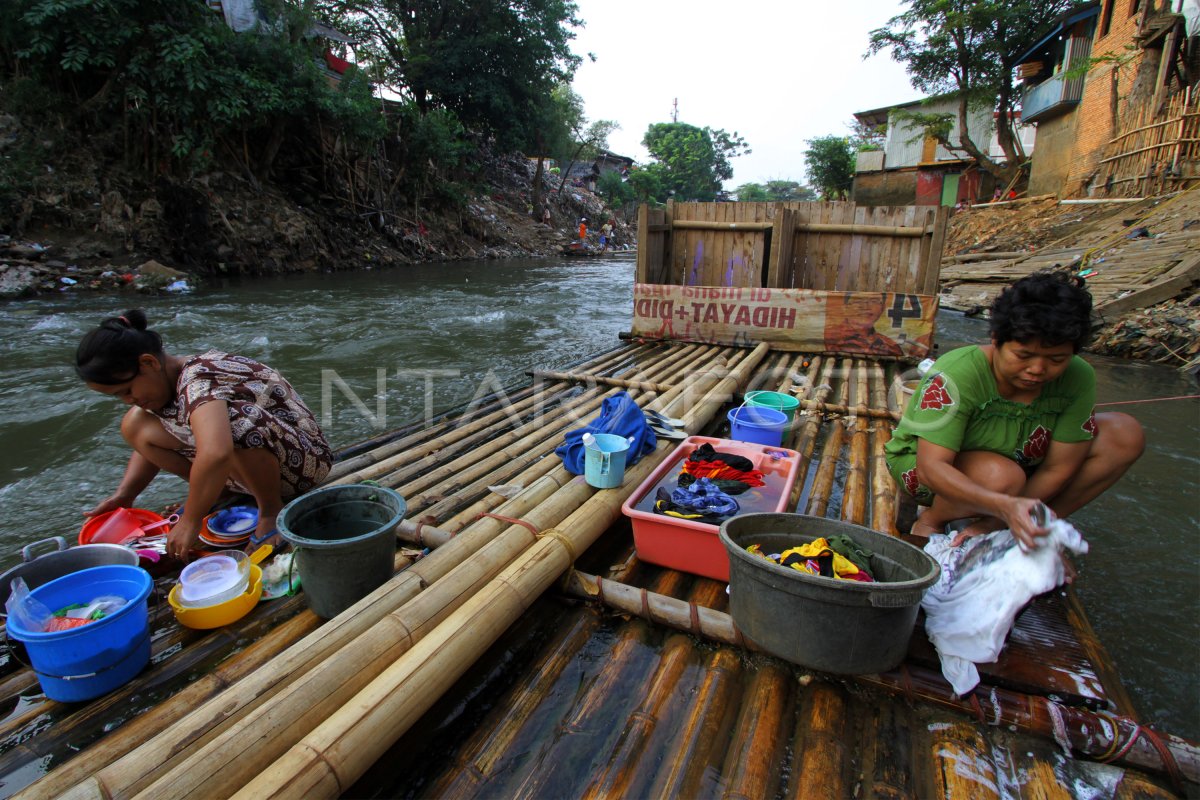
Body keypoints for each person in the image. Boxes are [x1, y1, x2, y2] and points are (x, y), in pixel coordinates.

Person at [884, 271, 1144, 549]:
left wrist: (1003, 513)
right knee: (1002, 476)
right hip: (931, 471)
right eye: (1024, 355)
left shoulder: (1078, 377)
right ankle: (933, 519)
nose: (1038, 370)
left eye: (1057, 359)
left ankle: (1007, 524)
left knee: (1124, 434)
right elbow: (931, 468)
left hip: (1018, 468)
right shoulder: (958, 372)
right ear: (996, 340)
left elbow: (1059, 467)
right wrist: (1005, 504)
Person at [76, 310, 333, 561]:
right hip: (255, 466)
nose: (128, 399)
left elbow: (216, 451)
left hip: (305, 463)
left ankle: (269, 510)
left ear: (149, 363)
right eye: (119, 396)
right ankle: (219, 491)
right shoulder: (166, 386)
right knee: (135, 423)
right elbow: (146, 446)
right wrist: (125, 496)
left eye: (127, 390)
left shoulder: (198, 379)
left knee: (232, 425)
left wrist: (191, 520)